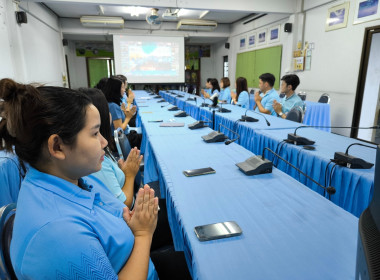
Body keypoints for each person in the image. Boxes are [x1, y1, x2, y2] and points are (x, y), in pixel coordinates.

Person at [1, 79, 158, 279]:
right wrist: (143, 234)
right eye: (94, 133)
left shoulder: (73, 177)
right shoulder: (59, 235)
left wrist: (132, 225)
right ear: (57, 147)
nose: (103, 142)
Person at [79, 87, 141, 209]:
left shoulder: (101, 152)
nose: (104, 142)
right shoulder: (95, 162)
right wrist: (129, 175)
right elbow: (124, 205)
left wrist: (122, 172)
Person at [103, 76, 142, 149]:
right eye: (122, 87)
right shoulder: (113, 106)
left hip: (120, 138)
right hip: (123, 140)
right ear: (116, 90)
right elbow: (119, 130)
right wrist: (128, 117)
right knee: (144, 138)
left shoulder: (110, 103)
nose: (124, 90)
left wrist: (124, 113)